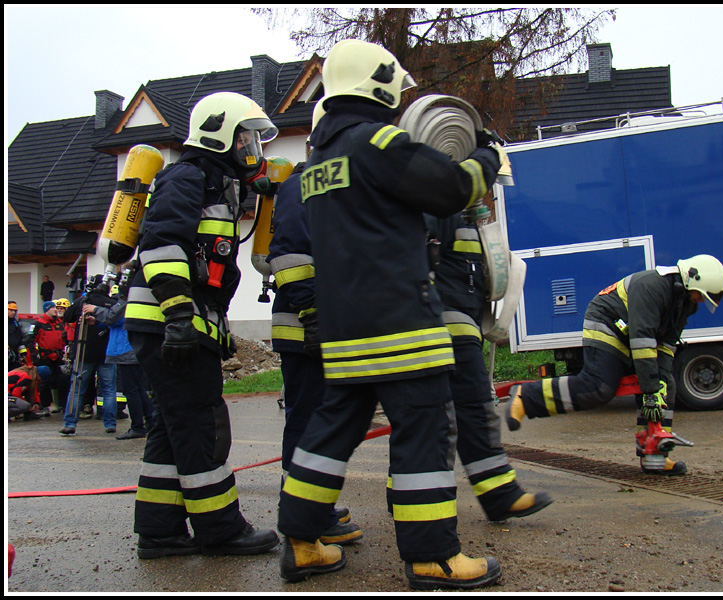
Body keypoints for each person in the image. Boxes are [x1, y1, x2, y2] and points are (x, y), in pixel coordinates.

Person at [278, 39, 502, 590]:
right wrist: (486, 154)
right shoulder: (377, 141)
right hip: (400, 321)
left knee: (329, 434)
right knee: (424, 430)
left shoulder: (318, 161)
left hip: (344, 329)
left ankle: (302, 542)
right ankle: (432, 558)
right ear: (376, 83)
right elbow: (449, 187)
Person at [124, 91, 280, 559]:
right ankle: (220, 529)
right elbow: (160, 245)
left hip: (175, 322)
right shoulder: (188, 177)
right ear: (220, 134)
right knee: (200, 424)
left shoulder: (214, 184)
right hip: (167, 322)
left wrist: (215, 323)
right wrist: (177, 313)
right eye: (246, 139)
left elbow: (207, 271)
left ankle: (160, 531)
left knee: (172, 427)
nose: (254, 149)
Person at [507, 255, 723, 476]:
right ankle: (526, 398)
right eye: (701, 295)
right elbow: (643, 339)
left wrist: (658, 384)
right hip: (608, 323)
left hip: (632, 334)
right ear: (691, 280)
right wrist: (650, 389)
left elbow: (666, 345)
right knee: (599, 387)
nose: (700, 300)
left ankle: (655, 455)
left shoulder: (685, 304)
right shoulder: (652, 286)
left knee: (666, 385)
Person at [268, 104, 362, 548]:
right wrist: (313, 317)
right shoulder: (298, 186)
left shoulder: (332, 185)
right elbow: (288, 255)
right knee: (307, 422)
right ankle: (306, 517)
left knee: (320, 421)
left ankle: (314, 506)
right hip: (305, 328)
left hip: (324, 326)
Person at [420, 211, 552, 521]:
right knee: (466, 412)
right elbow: (415, 259)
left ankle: (495, 495)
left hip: (462, 322)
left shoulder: (460, 212)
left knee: (439, 418)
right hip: (445, 325)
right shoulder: (439, 201)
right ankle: (497, 495)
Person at [89, 282, 153, 440]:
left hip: (125, 353)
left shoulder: (124, 305)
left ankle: (137, 426)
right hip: (133, 351)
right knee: (138, 389)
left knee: (131, 391)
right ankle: (151, 421)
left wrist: (94, 310)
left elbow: (111, 317)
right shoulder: (133, 304)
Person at [59, 284, 118, 435]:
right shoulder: (111, 303)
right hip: (106, 353)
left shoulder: (83, 301)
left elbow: (67, 317)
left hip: (83, 352)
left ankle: (70, 423)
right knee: (109, 389)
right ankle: (110, 423)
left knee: (77, 389)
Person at [30, 301, 67, 413]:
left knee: (61, 380)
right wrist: (35, 356)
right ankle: (44, 405)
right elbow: (30, 341)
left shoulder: (59, 323)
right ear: (47, 309)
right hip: (45, 356)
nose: (56, 310)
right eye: (53, 308)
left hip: (58, 356)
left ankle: (60, 404)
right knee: (45, 382)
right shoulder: (38, 323)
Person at [8, 301, 27, 371]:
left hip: (14, 358)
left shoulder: (15, 324)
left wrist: (23, 354)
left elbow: (20, 340)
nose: (13, 312)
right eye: (10, 310)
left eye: (14, 311)